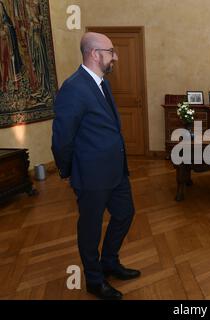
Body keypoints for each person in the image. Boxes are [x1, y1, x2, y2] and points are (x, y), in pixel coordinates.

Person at [52, 32, 140, 300]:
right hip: (90, 174)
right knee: (90, 228)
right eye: (111, 51)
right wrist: (67, 171)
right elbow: (62, 138)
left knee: (125, 213)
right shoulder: (73, 88)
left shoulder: (103, 84)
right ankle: (93, 279)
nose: (116, 56)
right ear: (94, 54)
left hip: (115, 170)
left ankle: (110, 262)